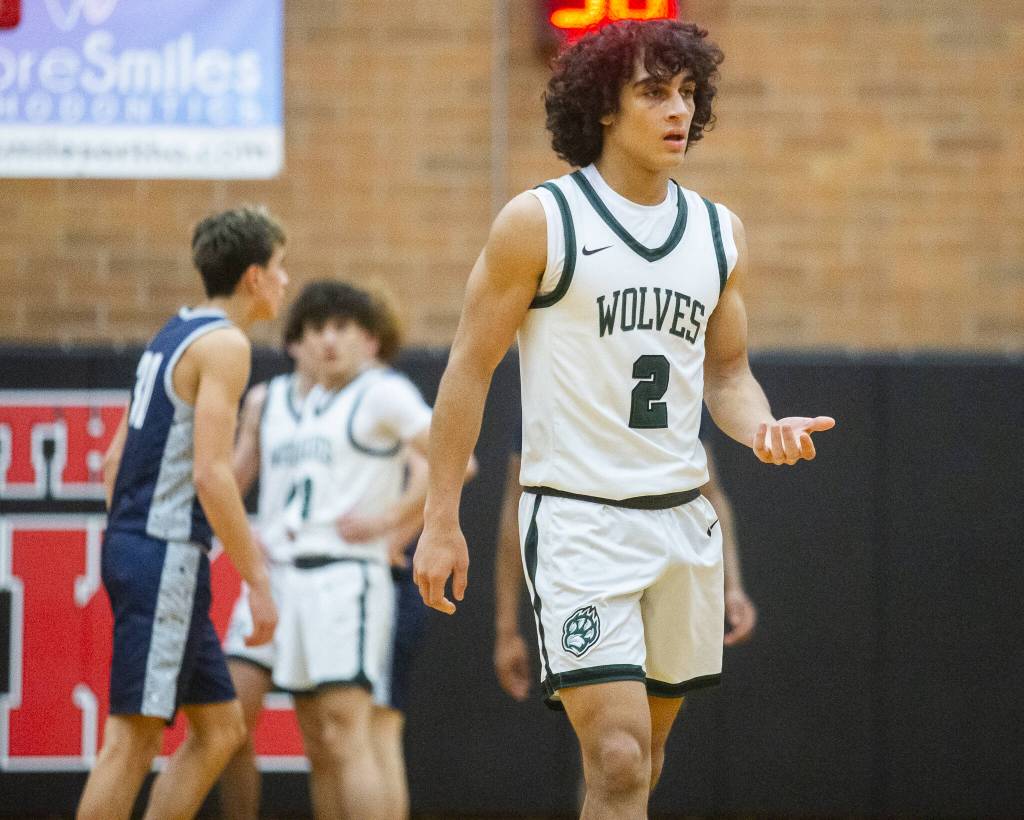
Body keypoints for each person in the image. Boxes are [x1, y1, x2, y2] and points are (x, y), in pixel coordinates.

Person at [413, 19, 835, 819]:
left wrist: (762, 426)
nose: (679, 110)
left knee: (644, 762)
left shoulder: (719, 232)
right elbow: (468, 366)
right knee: (616, 755)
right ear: (604, 108)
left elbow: (728, 373)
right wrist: (441, 518)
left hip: (679, 519)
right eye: (654, 93)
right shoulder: (540, 221)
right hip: (577, 520)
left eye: (688, 93)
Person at [77, 206, 288, 820]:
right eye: (280, 266)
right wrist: (258, 583)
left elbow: (112, 461)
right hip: (163, 552)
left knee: (220, 730)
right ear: (254, 276)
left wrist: (131, 542)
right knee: (132, 741)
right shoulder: (226, 344)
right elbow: (211, 474)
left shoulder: (173, 333)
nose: (285, 280)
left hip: (137, 545)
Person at [218, 281, 436, 819]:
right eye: (317, 329)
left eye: (341, 328)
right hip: (275, 576)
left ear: (368, 339)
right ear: (296, 342)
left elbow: (453, 460)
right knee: (231, 725)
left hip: (343, 578)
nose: (329, 340)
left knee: (346, 736)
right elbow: (232, 481)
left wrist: (389, 522)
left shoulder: (381, 392)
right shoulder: (275, 399)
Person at [494, 440, 757, 703]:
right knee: (615, 724)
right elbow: (517, 500)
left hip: (663, 565)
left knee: (654, 722)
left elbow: (709, 491)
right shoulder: (554, 415)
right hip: (587, 560)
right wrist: (507, 630)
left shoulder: (678, 415)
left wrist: (733, 586)